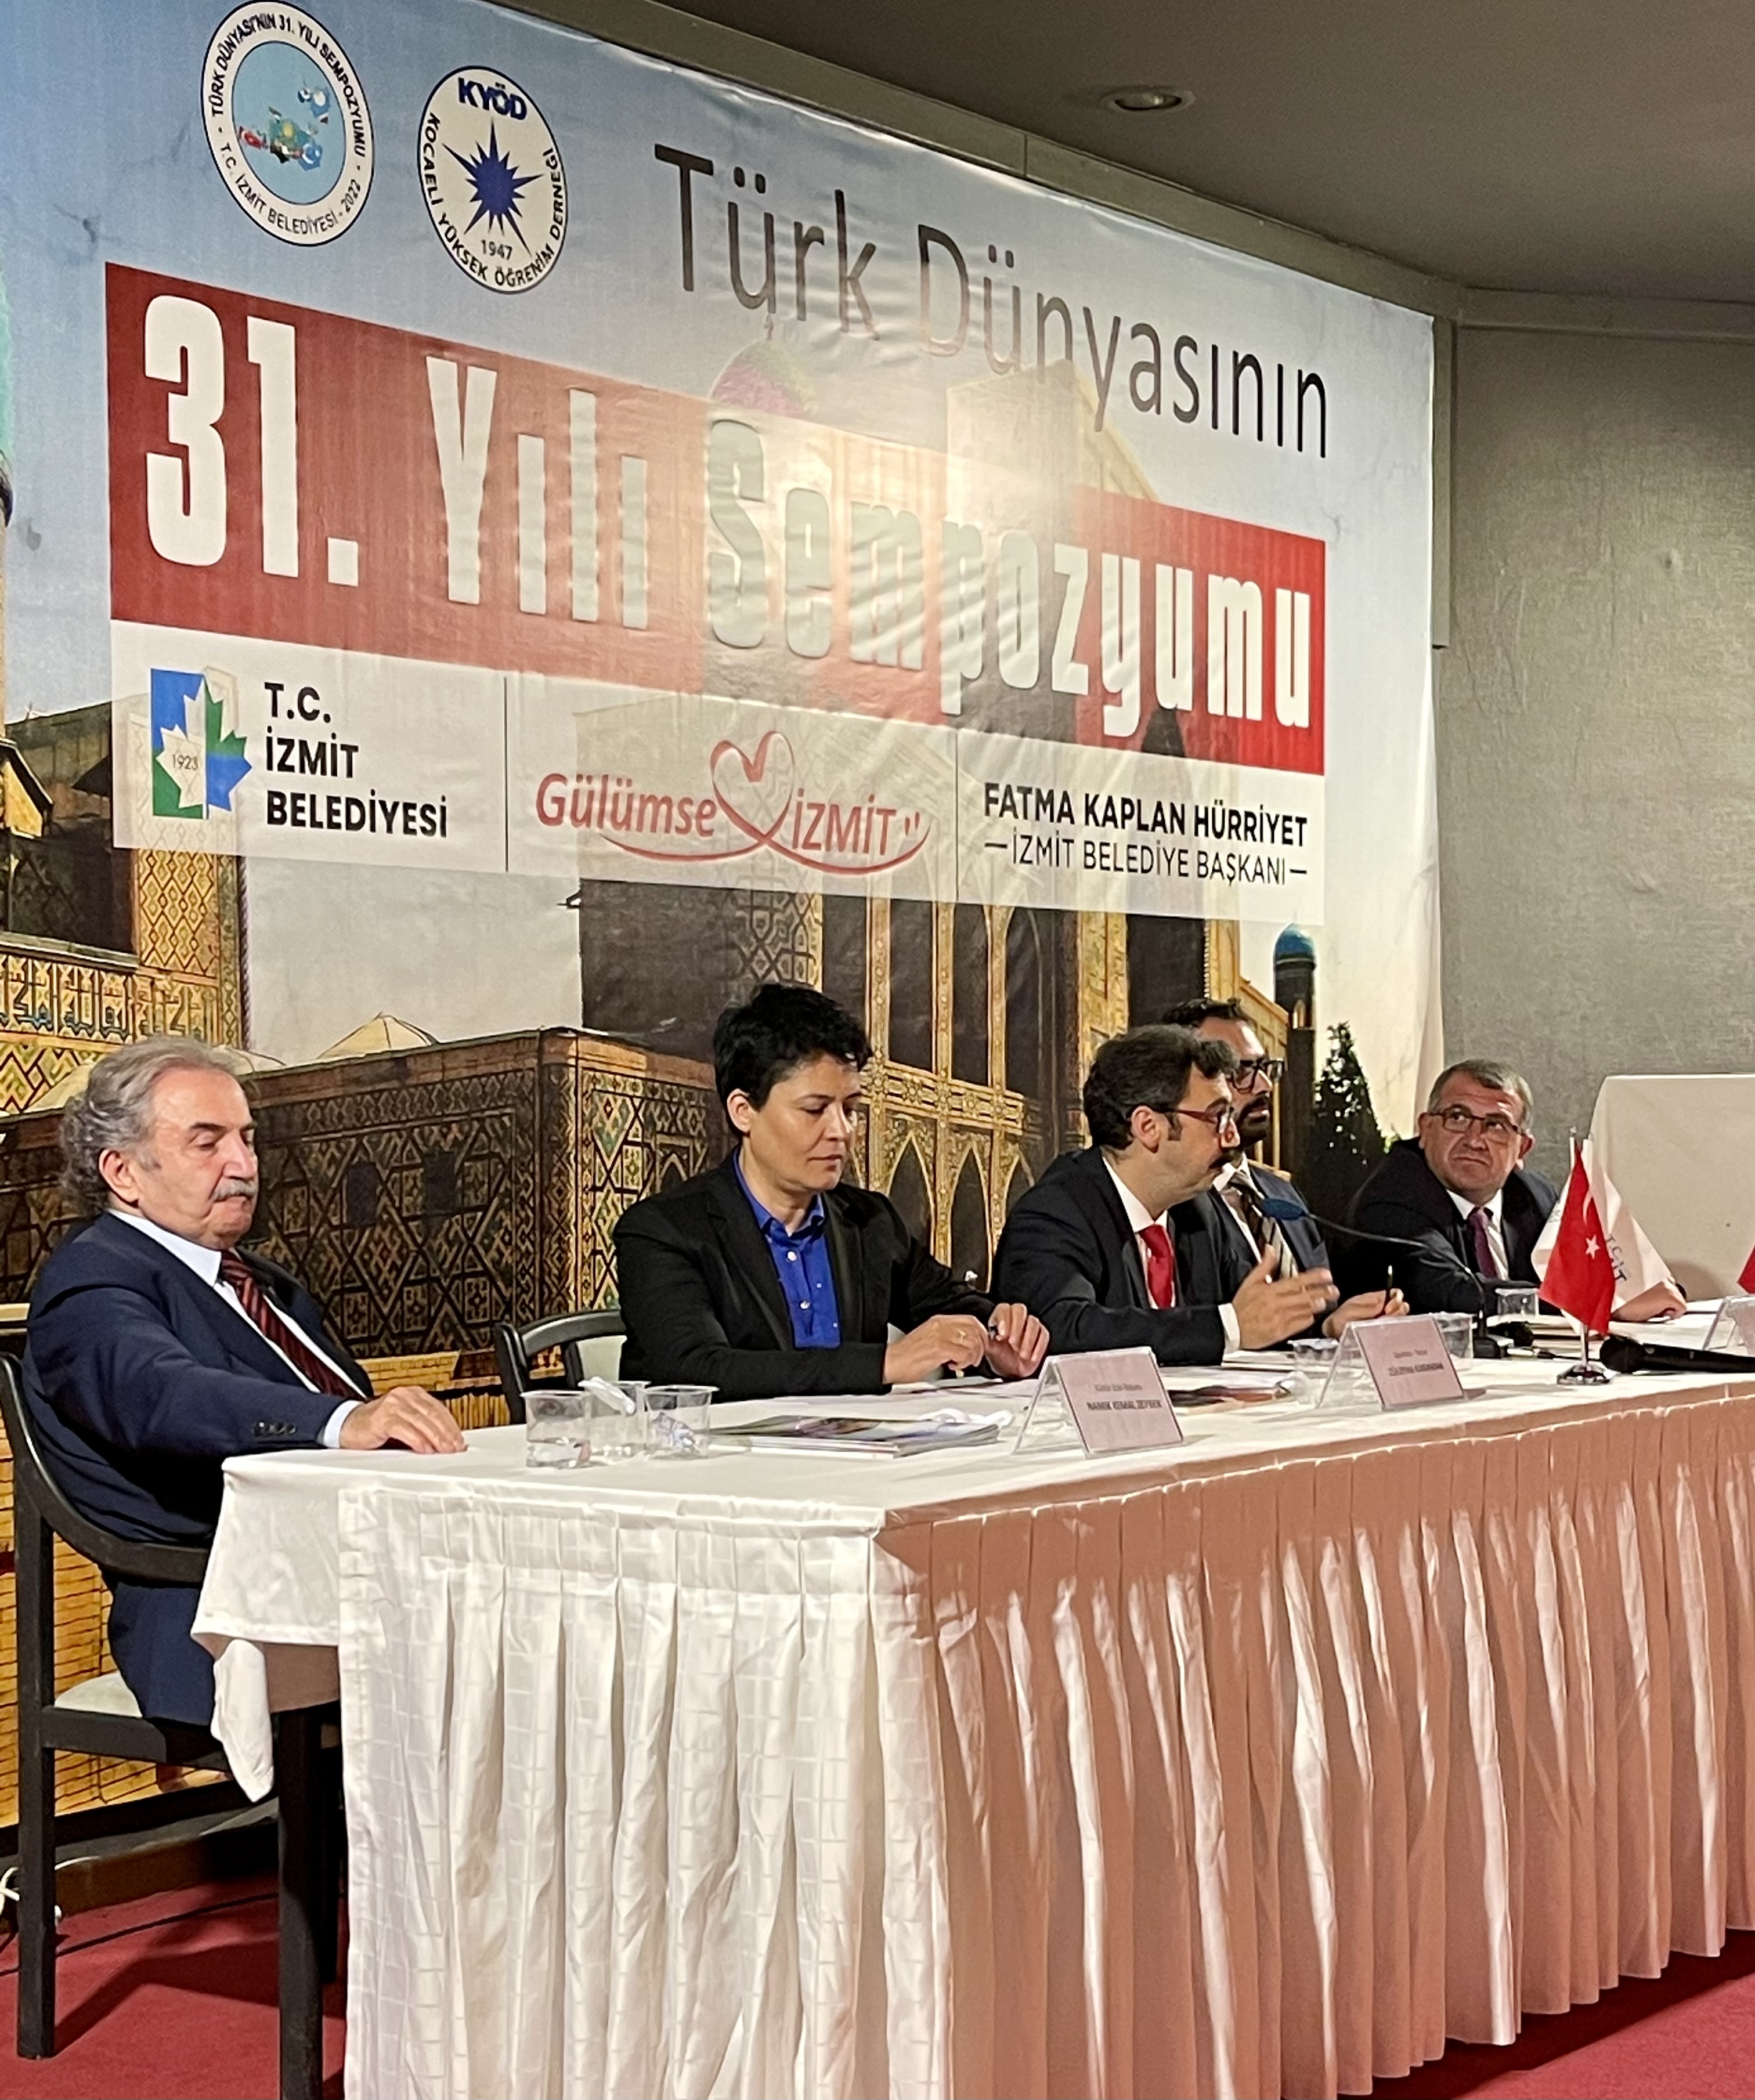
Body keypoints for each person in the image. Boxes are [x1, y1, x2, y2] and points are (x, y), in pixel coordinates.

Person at [22, 1037, 466, 1726]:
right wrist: (340, 1421)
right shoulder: (93, 1277)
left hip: (353, 1579)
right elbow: (160, 1395)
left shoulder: (264, 1283)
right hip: (221, 1612)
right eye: (208, 1143)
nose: (244, 1165)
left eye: (248, 1139)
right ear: (123, 1171)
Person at [614, 984, 1048, 1401]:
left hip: (857, 1447)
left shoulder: (869, 1221)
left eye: (850, 1109)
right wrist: (885, 1364)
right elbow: (697, 1370)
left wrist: (998, 1335)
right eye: (815, 1109)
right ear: (744, 1111)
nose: (840, 1131)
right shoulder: (665, 1230)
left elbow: (947, 1301)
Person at [992, 1025, 1339, 1365]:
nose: (1233, 1138)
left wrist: (1327, 1328)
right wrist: (1226, 1328)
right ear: (1148, 1127)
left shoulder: (1200, 1209)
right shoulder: (1055, 1212)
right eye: (1217, 1117)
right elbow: (1060, 1329)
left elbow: (1253, 1319)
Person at [1164, 998, 1403, 1334]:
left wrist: (1334, 1328)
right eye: (1239, 1071)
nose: (1264, 1085)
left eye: (1265, 1068)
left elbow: (1309, 1323)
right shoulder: (1171, 1200)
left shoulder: (1284, 1195)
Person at [1347, 1058, 1558, 1313]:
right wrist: (1574, 1303)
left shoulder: (1537, 1197)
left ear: (1522, 1149)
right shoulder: (1393, 1199)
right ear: (1425, 1129)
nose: (1474, 1141)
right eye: (1458, 1118)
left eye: (1496, 1125)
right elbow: (1454, 1294)